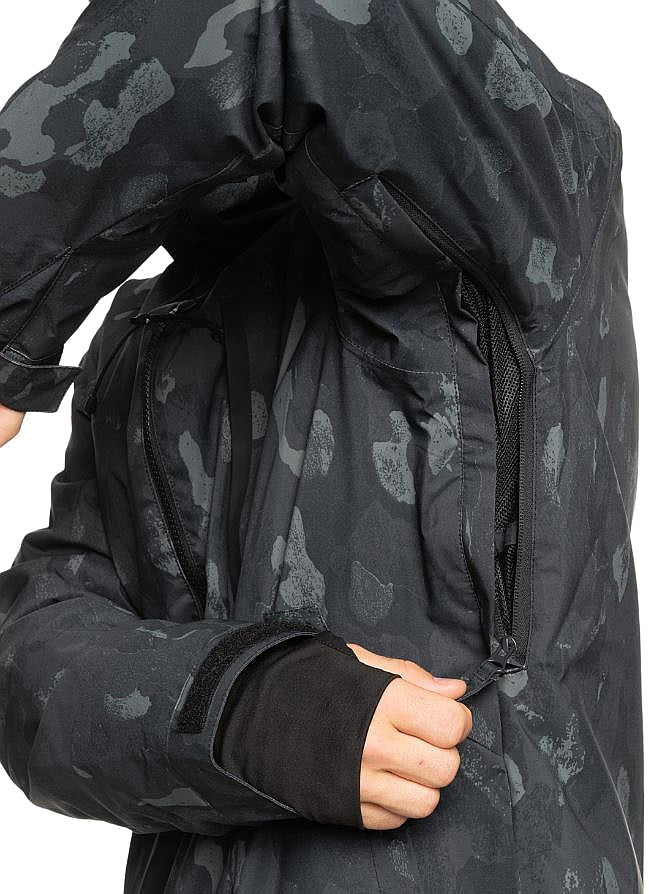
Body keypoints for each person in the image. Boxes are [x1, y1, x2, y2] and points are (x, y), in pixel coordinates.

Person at [0, 1, 641, 892]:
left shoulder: (533, 179)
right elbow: (32, 654)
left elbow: (286, 16)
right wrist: (252, 708)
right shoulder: (157, 322)